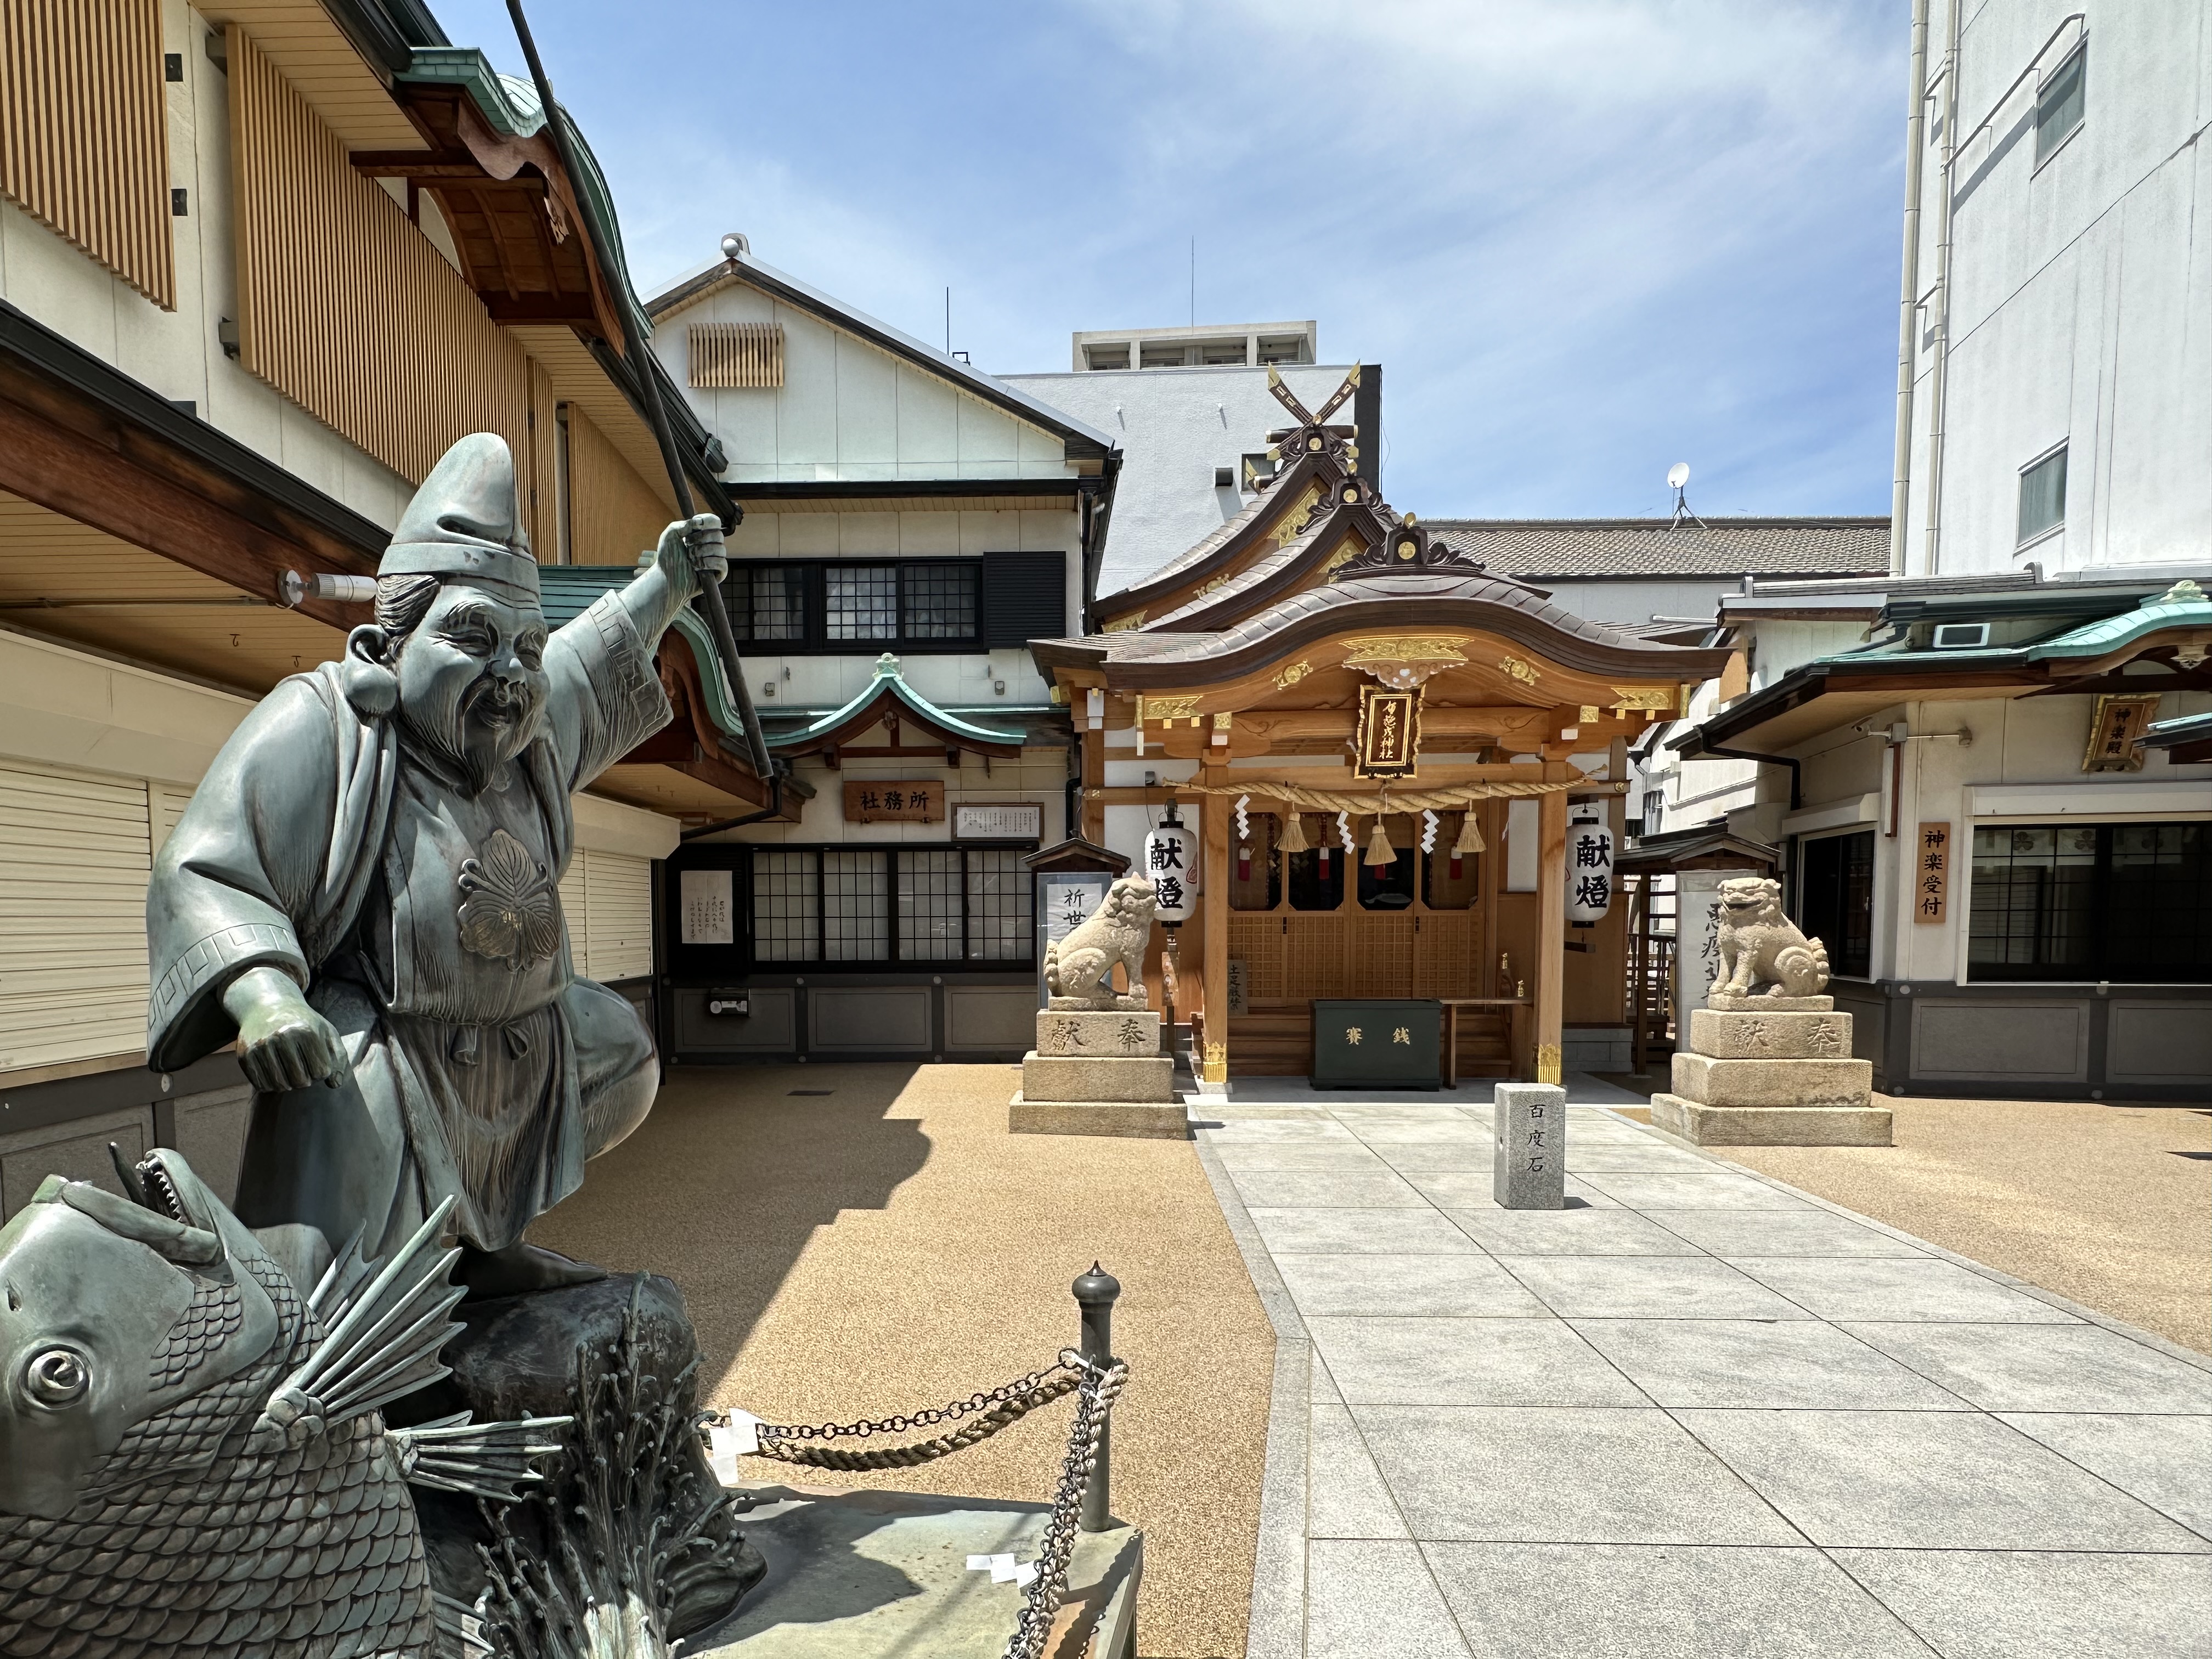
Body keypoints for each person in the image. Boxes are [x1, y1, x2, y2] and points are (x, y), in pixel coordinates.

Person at [146, 433, 726, 1295]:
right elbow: (207, 868)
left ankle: (485, 1254)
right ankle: (340, 1347)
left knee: (618, 1044)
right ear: (387, 648)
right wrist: (264, 997)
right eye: (473, 637)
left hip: (525, 1050)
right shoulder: (331, 727)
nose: (510, 673)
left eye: (523, 649)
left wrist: (665, 588)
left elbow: (577, 666)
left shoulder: (517, 739)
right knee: (342, 1152)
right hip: (385, 1046)